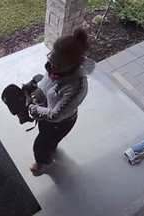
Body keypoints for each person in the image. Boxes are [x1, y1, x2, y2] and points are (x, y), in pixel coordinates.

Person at [27, 28, 96, 176]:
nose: (51, 64)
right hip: (47, 115)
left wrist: (33, 109)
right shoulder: (55, 69)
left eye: (56, 63)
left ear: (72, 65)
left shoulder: (76, 87)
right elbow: (45, 84)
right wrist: (36, 93)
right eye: (51, 57)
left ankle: (43, 163)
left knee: (40, 145)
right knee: (48, 139)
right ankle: (50, 149)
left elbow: (55, 115)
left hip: (59, 124)